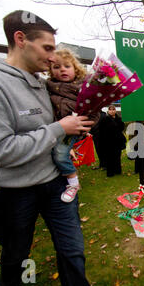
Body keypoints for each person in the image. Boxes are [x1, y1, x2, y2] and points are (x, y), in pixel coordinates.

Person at [0, 10, 94, 286]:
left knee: (73, 252)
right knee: (16, 254)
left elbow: (51, 127)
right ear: (20, 39)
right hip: (14, 190)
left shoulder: (41, 82)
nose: (52, 58)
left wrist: (73, 133)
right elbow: (0, 151)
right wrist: (59, 129)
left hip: (55, 182)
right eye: (47, 48)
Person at [46, 48, 99, 202]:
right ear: (50, 71)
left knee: (59, 155)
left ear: (75, 69)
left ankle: (73, 182)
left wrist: (85, 124)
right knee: (55, 153)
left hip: (73, 130)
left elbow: (94, 110)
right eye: (56, 67)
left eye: (67, 66)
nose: (62, 69)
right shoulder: (47, 87)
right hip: (54, 128)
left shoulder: (84, 87)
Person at [99, 105, 126, 177]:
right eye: (110, 110)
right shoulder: (105, 119)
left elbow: (122, 128)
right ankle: (110, 172)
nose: (112, 111)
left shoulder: (119, 118)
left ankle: (117, 170)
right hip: (109, 141)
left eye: (113, 109)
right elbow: (101, 130)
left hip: (118, 140)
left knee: (117, 156)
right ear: (108, 111)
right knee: (110, 157)